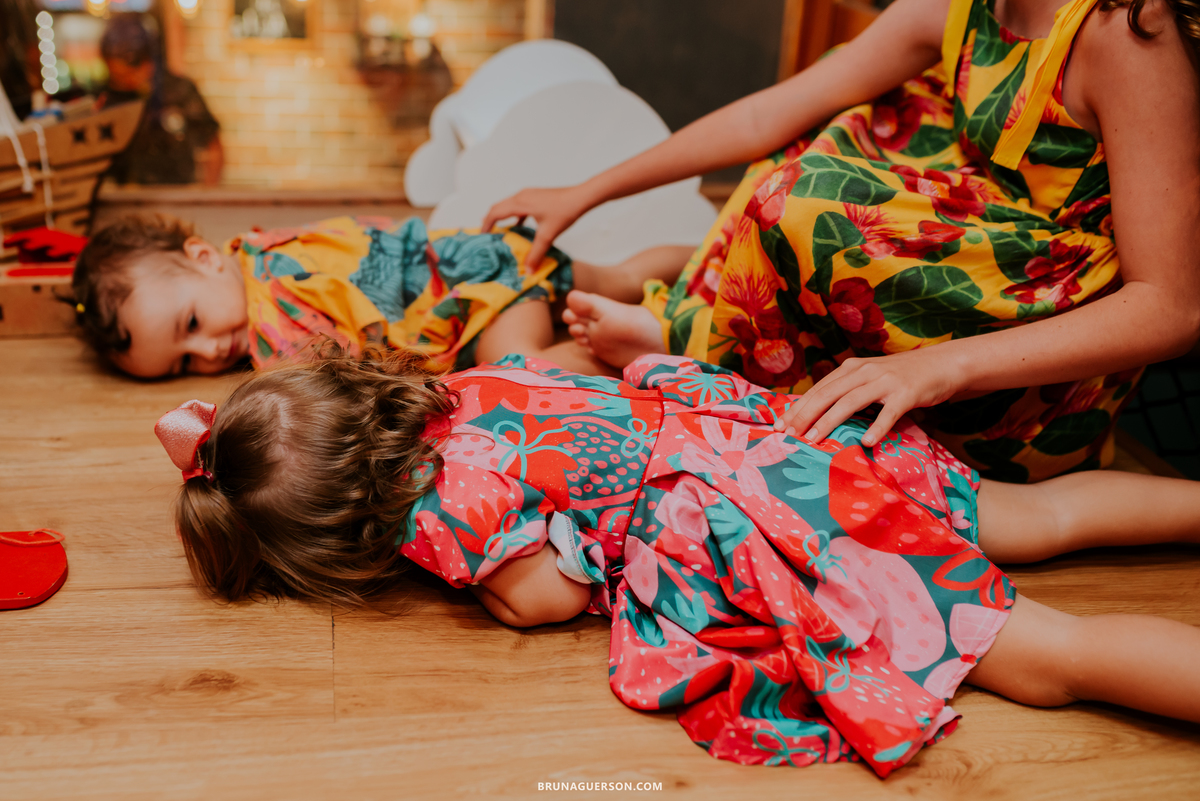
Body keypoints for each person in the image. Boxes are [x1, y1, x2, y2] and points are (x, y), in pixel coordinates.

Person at [156, 348, 1200, 776]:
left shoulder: (443, 517)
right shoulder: (464, 384)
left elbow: (543, 600)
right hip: (776, 434)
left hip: (777, 520)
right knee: (1033, 518)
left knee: (1042, 656)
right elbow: (569, 374)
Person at [481, 0, 1200, 483]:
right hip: (978, 268)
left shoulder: (1132, 34)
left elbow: (1170, 307)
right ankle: (690, 324)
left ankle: (698, 342)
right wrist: (582, 191)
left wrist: (937, 370)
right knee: (840, 127)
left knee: (812, 198)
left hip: (1030, 376)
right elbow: (769, 114)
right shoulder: (963, 7)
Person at [70, 213, 691, 378]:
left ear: (203, 258)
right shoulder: (257, 246)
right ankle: (709, 256)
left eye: (191, 324)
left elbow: (329, 379)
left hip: (470, 307)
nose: (208, 351)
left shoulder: (273, 327)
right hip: (483, 251)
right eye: (183, 362)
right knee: (616, 274)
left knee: (524, 372)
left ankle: (653, 345)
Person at [98, 14, 223, 185]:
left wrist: (207, 193)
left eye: (125, 75)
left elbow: (213, 145)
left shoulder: (180, 91)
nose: (121, 82)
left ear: (148, 63)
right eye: (115, 76)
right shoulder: (105, 97)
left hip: (177, 196)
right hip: (122, 199)